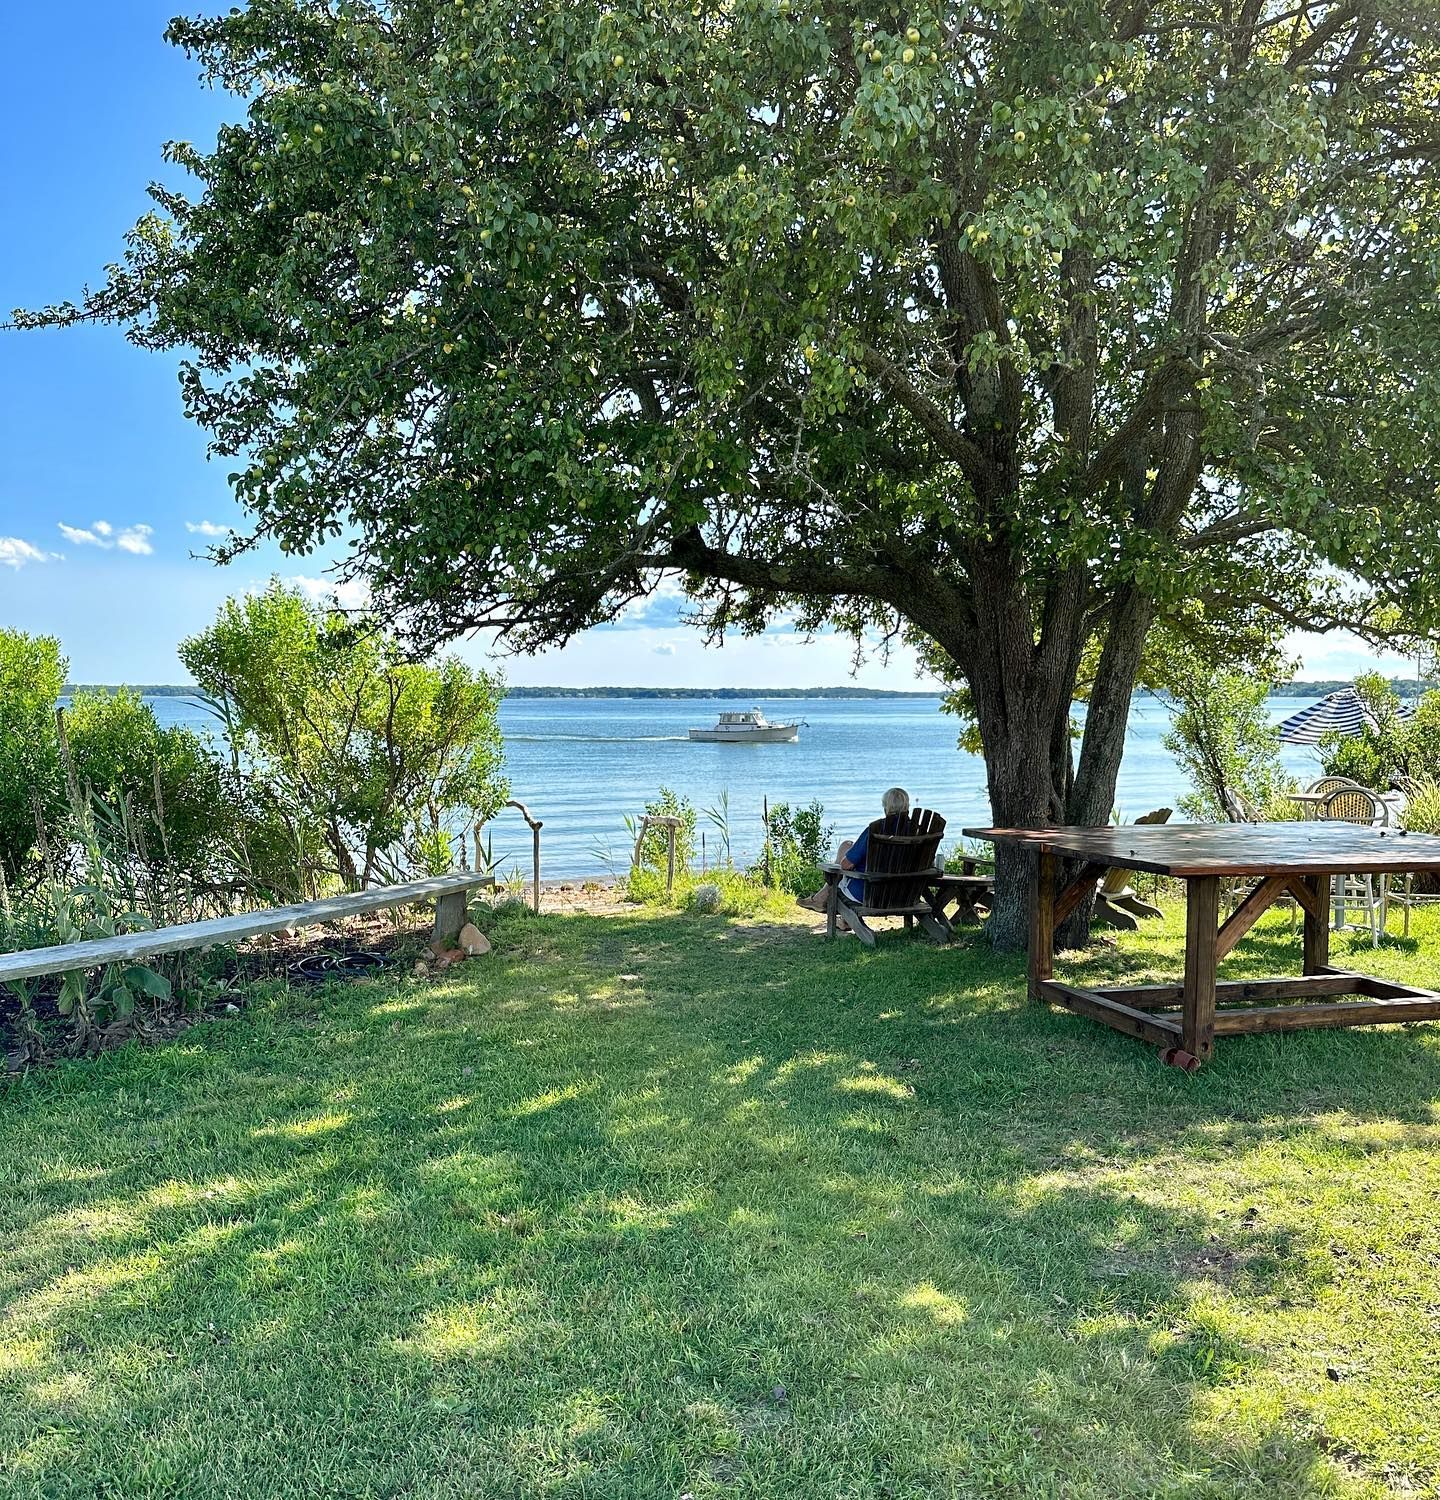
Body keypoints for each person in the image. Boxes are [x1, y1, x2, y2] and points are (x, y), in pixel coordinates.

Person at [798, 787, 911, 913]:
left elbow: (845, 865)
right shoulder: (916, 831)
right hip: (905, 895)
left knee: (844, 860)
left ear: (886, 807)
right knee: (847, 845)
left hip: (868, 895)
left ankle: (820, 899)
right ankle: (830, 908)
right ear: (907, 806)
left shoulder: (876, 830)